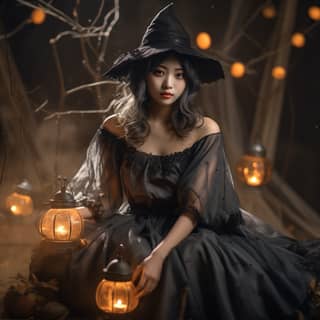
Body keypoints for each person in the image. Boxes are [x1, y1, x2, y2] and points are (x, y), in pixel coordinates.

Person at [63, 3, 320, 320]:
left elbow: (194, 207)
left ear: (189, 82)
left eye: (179, 75)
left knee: (188, 258)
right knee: (123, 262)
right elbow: (107, 200)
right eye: (159, 72)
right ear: (143, 76)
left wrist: (159, 254)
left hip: (188, 228)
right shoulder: (115, 128)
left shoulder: (204, 130)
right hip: (133, 226)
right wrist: (71, 214)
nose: (169, 84)